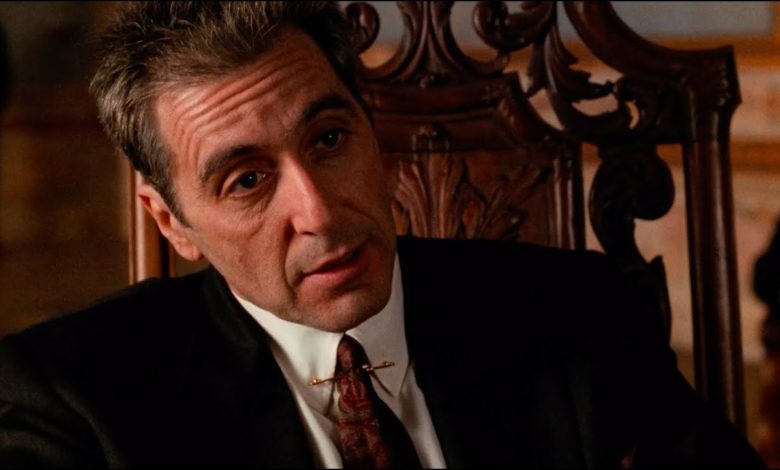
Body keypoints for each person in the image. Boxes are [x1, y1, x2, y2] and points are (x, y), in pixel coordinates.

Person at [0, 2, 766, 468]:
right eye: (247, 180)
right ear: (172, 222)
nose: (319, 212)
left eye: (330, 140)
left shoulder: (578, 315)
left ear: (377, 138)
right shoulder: (73, 400)